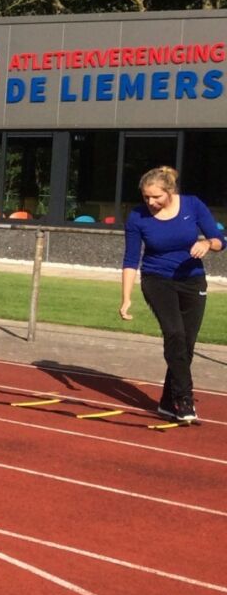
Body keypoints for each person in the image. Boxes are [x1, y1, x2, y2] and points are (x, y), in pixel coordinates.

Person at [119, 166, 222, 424]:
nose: (151, 203)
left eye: (156, 197)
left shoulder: (192, 205)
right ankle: (184, 398)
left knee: (185, 344)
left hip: (192, 280)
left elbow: (220, 239)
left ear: (170, 191)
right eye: (146, 198)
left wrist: (207, 244)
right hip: (157, 280)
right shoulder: (137, 217)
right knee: (174, 333)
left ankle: (167, 402)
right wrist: (126, 297)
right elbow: (131, 259)